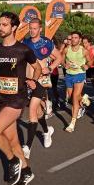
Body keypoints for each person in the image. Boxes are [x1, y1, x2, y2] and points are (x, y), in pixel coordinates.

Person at [0, 12, 42, 185]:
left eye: (5, 25)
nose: (0, 27)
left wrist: (33, 80)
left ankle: (12, 160)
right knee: (14, 142)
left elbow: (37, 68)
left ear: (14, 27)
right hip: (0, 98)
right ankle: (27, 170)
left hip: (17, 99)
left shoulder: (23, 50)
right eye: (0, 24)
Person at [21, 18, 62, 157]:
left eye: (34, 28)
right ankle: (46, 131)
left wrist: (50, 67)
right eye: (30, 28)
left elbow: (59, 57)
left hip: (40, 81)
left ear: (40, 29)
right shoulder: (25, 43)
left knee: (32, 111)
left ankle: (27, 147)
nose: (32, 31)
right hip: (28, 81)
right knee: (38, 113)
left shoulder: (46, 43)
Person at [62, 31, 92, 133]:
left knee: (75, 97)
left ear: (79, 40)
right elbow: (61, 60)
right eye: (72, 38)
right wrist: (64, 65)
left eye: (75, 38)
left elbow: (90, 61)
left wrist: (87, 65)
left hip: (79, 74)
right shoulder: (66, 50)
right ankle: (84, 98)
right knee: (71, 96)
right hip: (69, 75)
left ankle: (72, 123)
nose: (73, 39)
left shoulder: (84, 51)